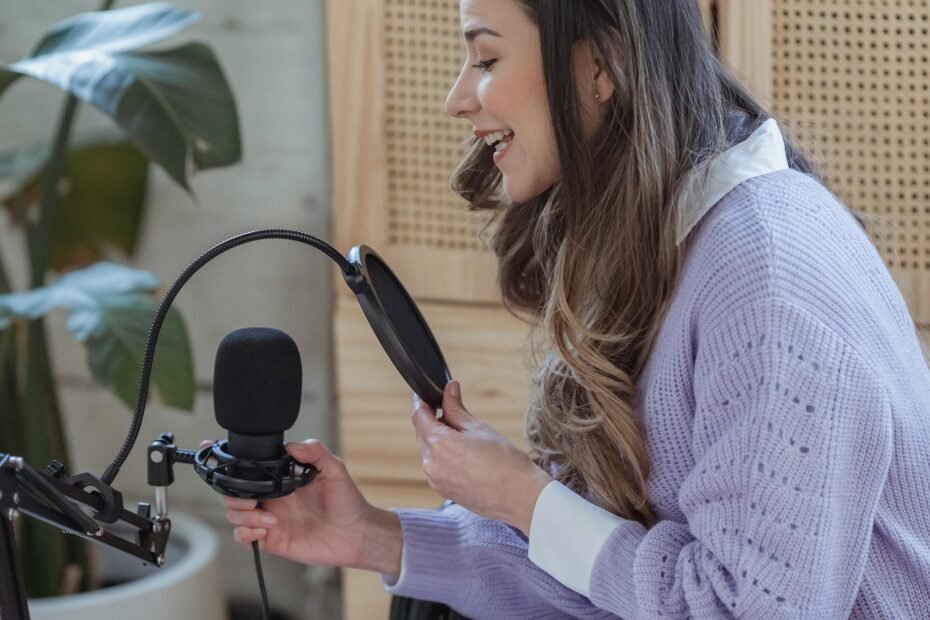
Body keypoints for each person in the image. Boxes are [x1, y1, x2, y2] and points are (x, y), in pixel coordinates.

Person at [221, 1, 930, 617]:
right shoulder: (665, 240)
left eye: (487, 56)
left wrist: (526, 499)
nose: (457, 98)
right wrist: (375, 535)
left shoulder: (764, 285)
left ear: (602, 62)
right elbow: (618, 576)